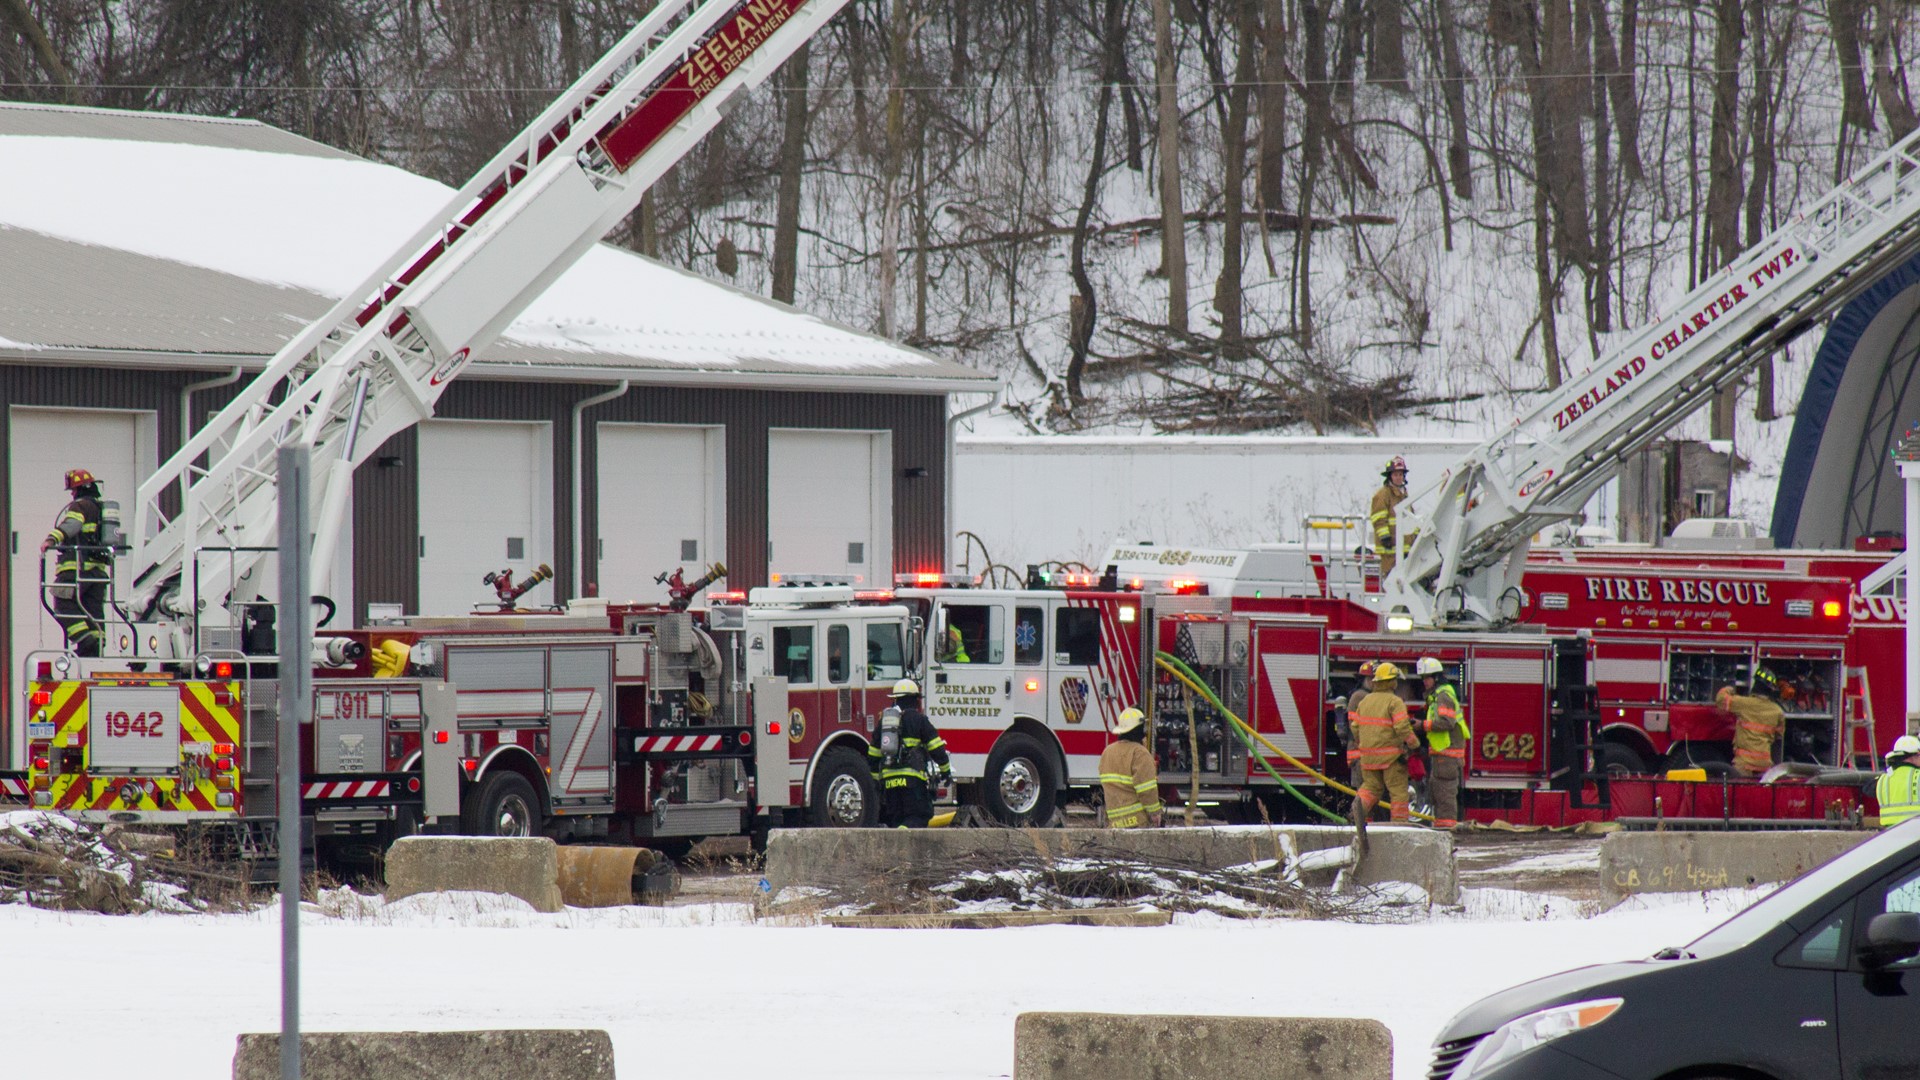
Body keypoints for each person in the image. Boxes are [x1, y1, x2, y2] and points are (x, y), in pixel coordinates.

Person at [39, 468, 110, 657]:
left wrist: (51, 540)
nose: (72, 494)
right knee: (93, 610)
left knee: (63, 604)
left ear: (80, 489)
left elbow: (72, 525)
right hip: (98, 573)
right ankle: (96, 646)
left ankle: (85, 641)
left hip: (76, 569)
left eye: (73, 490)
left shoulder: (80, 506)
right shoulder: (101, 509)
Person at [867, 678, 950, 828]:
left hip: (889, 783)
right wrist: (946, 770)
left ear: (896, 700)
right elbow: (936, 747)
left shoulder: (884, 723)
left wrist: (876, 781)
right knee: (920, 816)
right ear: (914, 699)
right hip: (912, 781)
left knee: (896, 819)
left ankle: (898, 838)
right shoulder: (919, 720)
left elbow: (873, 755)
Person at [1349, 661, 1420, 826]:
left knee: (1370, 788)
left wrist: (1365, 745)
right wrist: (1415, 745)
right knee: (1398, 792)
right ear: (1391, 681)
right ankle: (1399, 826)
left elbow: (1355, 727)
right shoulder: (1394, 702)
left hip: (1368, 758)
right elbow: (1402, 727)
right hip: (1391, 759)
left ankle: (1355, 814)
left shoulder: (1365, 701)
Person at [1416, 656, 1470, 830]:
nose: (1425, 681)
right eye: (1423, 678)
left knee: (1444, 794)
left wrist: (1422, 725)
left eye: (1428, 677)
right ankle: (1442, 829)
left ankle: (1446, 831)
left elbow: (1447, 723)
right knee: (1438, 794)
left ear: (1437, 677)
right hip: (1442, 756)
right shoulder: (1437, 696)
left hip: (1447, 756)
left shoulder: (1443, 696)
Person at [1099, 707, 1163, 828]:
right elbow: (1147, 789)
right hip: (1137, 822)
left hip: (1114, 823)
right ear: (1139, 729)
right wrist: (1155, 813)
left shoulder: (1107, 752)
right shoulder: (1140, 753)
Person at [1719, 668, 1785, 777]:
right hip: (1765, 766)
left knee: (1737, 787)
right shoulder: (1778, 711)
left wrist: (1728, 689)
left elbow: (1721, 699)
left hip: (1744, 765)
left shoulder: (1743, 703)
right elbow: (1778, 736)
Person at [1370, 456, 1412, 578]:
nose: (1398, 477)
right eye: (1395, 475)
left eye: (1400, 474)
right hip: (1390, 550)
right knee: (1391, 582)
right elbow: (1378, 518)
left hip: (1403, 550)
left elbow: (1410, 518)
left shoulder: (1404, 494)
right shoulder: (1383, 495)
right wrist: (1385, 537)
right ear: (1390, 476)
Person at [1340, 661, 1378, 788]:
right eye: (1371, 679)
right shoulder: (1361, 696)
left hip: (1363, 754)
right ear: (1365, 680)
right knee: (1365, 792)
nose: (1375, 682)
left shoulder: (1363, 695)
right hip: (1360, 754)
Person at [1876, 735, 1920, 829]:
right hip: (1916, 832)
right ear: (1914, 756)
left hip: (1890, 834)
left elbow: (1867, 789)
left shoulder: (1883, 779)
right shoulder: (1918, 776)